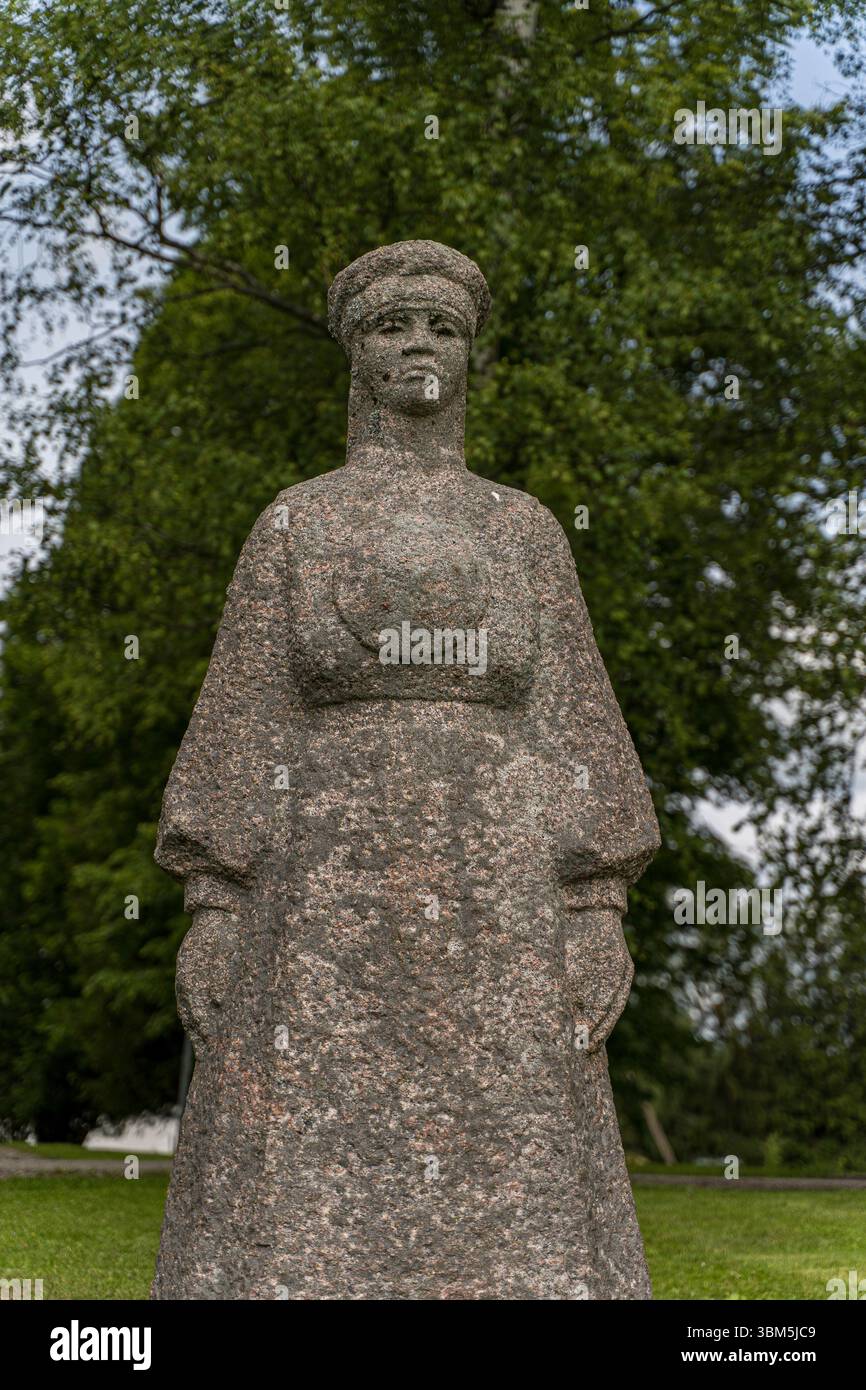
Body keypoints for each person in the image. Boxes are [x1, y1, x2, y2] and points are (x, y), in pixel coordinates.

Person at [151, 240, 660, 1300]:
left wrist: (595, 901)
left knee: (509, 1126)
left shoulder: (520, 530)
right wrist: (213, 898)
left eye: (444, 325)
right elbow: (243, 714)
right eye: (393, 324)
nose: (420, 343)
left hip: (497, 875)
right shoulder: (296, 521)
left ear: (469, 353)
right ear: (356, 352)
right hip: (324, 877)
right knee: (302, 1125)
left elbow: (575, 722)